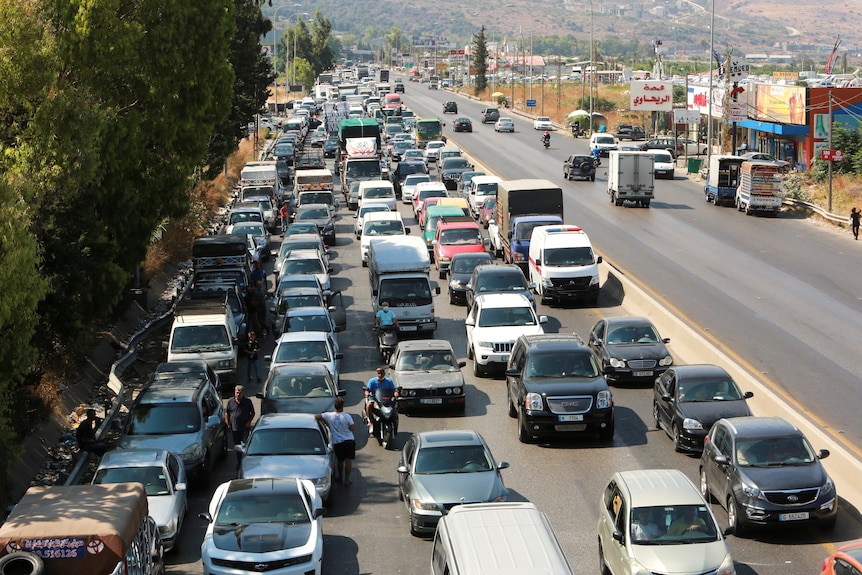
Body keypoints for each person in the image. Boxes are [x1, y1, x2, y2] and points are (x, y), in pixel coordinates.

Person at [315, 397, 356, 485]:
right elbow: (352, 428)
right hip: (349, 440)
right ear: (342, 406)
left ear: (335, 406)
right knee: (348, 460)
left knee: (340, 461)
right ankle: (347, 479)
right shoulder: (347, 416)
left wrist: (326, 423)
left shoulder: (329, 415)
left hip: (338, 442)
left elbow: (317, 416)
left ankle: (340, 477)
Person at [225, 385, 255, 470]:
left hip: (245, 428)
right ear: (234, 392)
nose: (238, 394)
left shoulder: (247, 401)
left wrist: (249, 422)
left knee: (244, 446)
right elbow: (227, 412)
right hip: (235, 429)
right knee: (237, 447)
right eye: (237, 392)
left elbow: (252, 413)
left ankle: (245, 463)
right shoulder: (230, 401)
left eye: (240, 393)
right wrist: (227, 423)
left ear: (243, 393)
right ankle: (239, 463)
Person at [365, 367, 398, 432]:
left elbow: (394, 389)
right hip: (375, 398)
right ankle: (371, 422)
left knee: (395, 405)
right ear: (377, 374)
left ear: (384, 373)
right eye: (379, 373)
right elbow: (367, 389)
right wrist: (367, 393)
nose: (380, 375)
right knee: (369, 405)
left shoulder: (389, 381)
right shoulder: (372, 381)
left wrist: (396, 392)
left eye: (382, 373)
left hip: (386, 399)